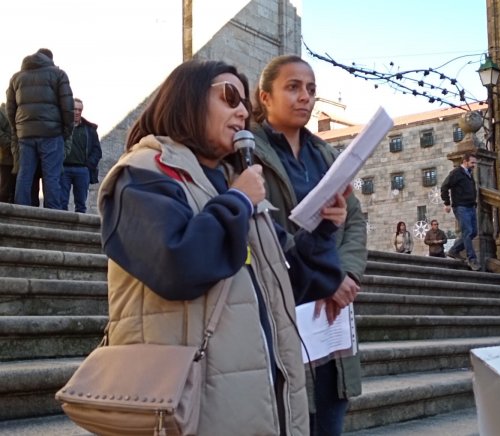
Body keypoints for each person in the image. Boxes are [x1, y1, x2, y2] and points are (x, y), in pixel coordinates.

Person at [97, 59, 349, 436]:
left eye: (245, 103)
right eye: (230, 97)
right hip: (186, 406)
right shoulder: (144, 173)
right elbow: (177, 265)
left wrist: (324, 228)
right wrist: (238, 201)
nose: (243, 112)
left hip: (255, 403)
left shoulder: (236, 184)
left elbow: (287, 279)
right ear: (187, 99)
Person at [252, 54, 367, 436]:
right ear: (265, 96)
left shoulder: (326, 155)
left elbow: (354, 220)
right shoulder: (248, 153)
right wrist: (327, 279)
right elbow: (261, 228)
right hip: (285, 301)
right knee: (290, 412)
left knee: (331, 409)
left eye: (311, 89)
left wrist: (347, 274)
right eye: (293, 87)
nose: (305, 97)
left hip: (332, 311)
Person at [6, 48, 74, 209]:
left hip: (25, 134)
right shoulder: (58, 74)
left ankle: (20, 212)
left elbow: (10, 109)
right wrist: (66, 130)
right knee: (51, 177)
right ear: (50, 59)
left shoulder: (16, 77)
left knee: (24, 175)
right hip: (52, 133)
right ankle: (53, 215)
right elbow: (67, 106)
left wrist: (18, 130)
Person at [60, 97, 102, 212]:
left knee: (81, 205)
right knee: (62, 203)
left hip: (82, 170)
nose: (77, 112)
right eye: (75, 109)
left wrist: (88, 166)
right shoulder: (62, 127)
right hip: (64, 169)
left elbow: (97, 151)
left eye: (80, 110)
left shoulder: (89, 129)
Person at [440, 152, 480, 270]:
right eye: (472, 163)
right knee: (467, 231)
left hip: (470, 206)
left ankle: (454, 250)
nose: (474, 165)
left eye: (475, 163)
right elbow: (444, 186)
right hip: (461, 207)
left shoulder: (469, 174)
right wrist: (447, 203)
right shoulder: (456, 173)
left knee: (473, 232)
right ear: (465, 161)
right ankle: (472, 259)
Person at [0, 103, 15, 203]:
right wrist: (10, 145)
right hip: (6, 158)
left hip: (19, 159)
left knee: (15, 191)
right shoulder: (2, 112)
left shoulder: (20, 110)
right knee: (5, 190)